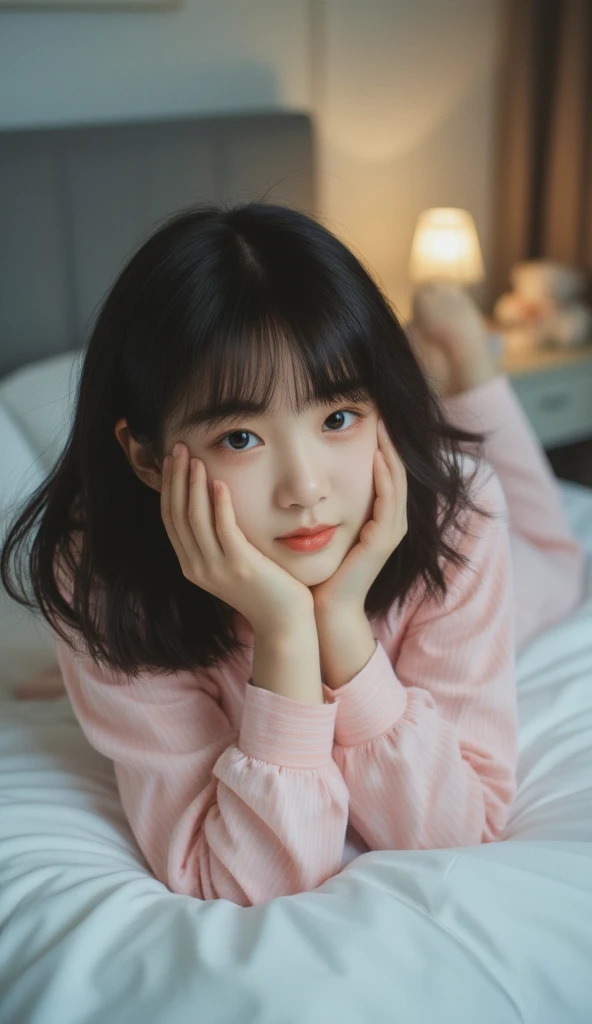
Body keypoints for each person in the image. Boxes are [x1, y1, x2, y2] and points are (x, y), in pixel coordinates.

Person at [2, 204, 587, 908]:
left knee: (554, 559)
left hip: (472, 552)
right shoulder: (102, 581)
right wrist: (286, 631)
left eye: (338, 418)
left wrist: (342, 625)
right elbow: (251, 880)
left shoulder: (459, 523)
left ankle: (467, 367)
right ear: (147, 457)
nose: (306, 489)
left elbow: (460, 832)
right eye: (241, 438)